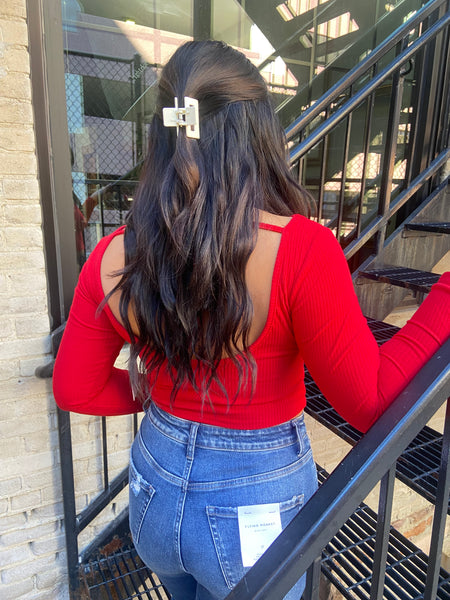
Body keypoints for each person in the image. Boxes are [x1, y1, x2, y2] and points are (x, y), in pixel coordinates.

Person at [53, 40, 450, 600]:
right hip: (251, 507)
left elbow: (75, 387)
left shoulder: (114, 253)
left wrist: (151, 393)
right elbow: (371, 401)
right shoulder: (302, 252)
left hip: (153, 493)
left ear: (163, 136)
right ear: (256, 133)